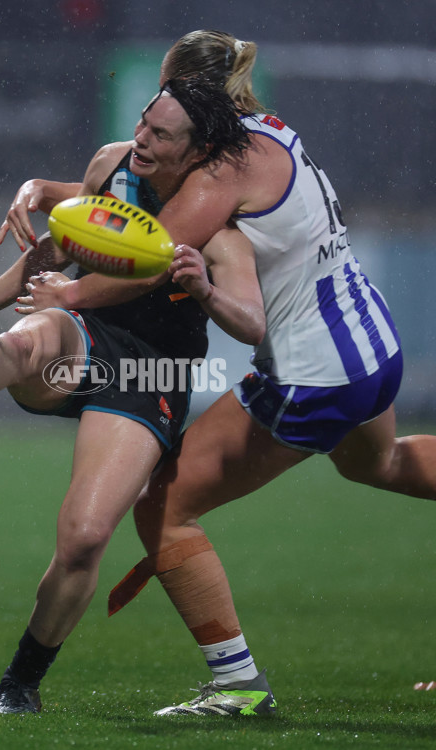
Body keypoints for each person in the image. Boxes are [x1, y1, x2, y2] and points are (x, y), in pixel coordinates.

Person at [97, 32, 436, 718]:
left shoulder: (223, 168)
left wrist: (58, 289)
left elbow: (145, 255)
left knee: (163, 506)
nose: (152, 120)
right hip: (371, 348)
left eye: (165, 102)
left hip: (315, 374)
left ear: (191, 100)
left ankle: (237, 685)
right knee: (383, 464)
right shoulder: (269, 129)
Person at [0, 76, 261, 715]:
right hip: (84, 332)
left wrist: (206, 291)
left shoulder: (216, 225)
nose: (140, 139)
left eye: (160, 135)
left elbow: (253, 322)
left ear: (197, 151)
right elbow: (56, 251)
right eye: (142, 122)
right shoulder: (111, 164)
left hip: (149, 376)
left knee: (83, 538)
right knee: (26, 345)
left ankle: (20, 683)